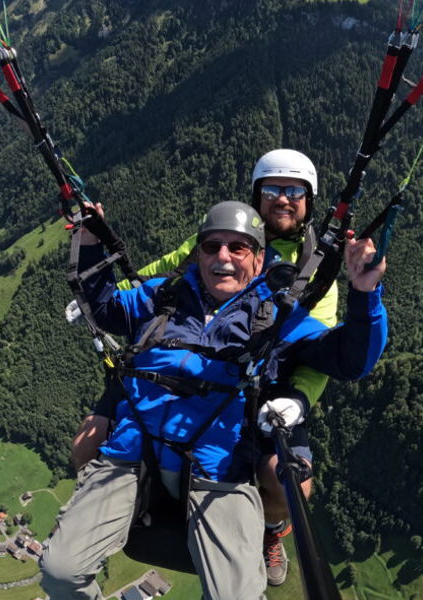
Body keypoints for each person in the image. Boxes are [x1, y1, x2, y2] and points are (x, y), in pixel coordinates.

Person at [41, 201, 388, 600]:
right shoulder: (163, 296)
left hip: (218, 468)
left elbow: (349, 358)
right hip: (132, 453)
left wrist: (365, 294)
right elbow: (103, 306)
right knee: (59, 571)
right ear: (199, 253)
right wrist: (88, 239)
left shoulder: (275, 316)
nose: (222, 257)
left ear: (258, 260)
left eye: (237, 248)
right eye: (211, 246)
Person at [68, 149, 336, 585]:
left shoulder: (318, 271)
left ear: (309, 201)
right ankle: (121, 506)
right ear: (257, 195)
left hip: (267, 384)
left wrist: (298, 399)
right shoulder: (227, 233)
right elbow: (162, 277)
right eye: (272, 190)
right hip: (169, 355)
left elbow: (314, 351)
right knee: (86, 443)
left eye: (294, 192)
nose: (282, 200)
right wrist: (109, 295)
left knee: (291, 485)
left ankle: (269, 529)